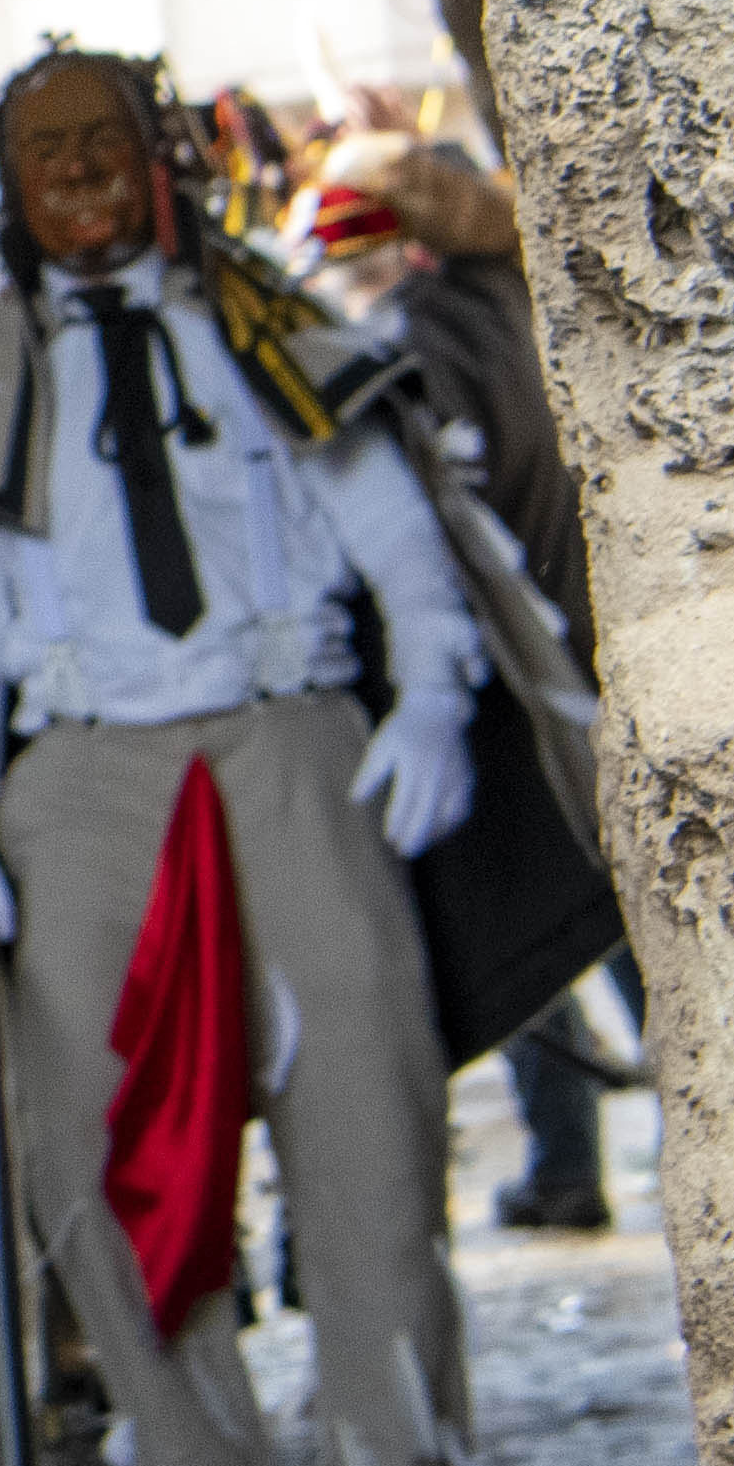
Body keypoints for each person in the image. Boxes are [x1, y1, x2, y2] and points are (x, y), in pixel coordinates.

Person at [0, 49, 570, 1466]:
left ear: (160, 156)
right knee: (91, 1139)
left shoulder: (270, 322)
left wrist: (431, 703)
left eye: (104, 147)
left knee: (369, 1126)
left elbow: (393, 521)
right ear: (10, 181)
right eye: (43, 155)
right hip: (81, 774)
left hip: (289, 734)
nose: (79, 182)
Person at [300, 135, 639, 1230]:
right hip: (583, 647)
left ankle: (567, 1160)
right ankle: (582, 1155)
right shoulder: (521, 301)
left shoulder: (418, 341)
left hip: (504, 675)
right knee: (617, 910)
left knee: (536, 933)